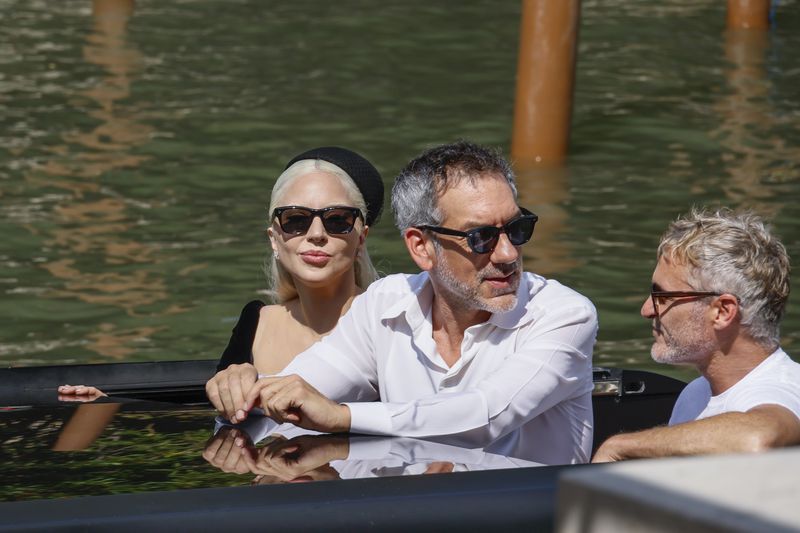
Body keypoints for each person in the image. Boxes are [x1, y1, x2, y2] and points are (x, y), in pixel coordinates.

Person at [206, 140, 598, 465]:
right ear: (421, 247)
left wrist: (341, 416)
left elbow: (487, 415)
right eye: (481, 237)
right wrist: (244, 394)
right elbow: (301, 392)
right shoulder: (382, 305)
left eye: (517, 228)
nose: (508, 254)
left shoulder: (564, 315)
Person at [59, 146, 384, 397]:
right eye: (296, 219)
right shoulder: (256, 321)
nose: (316, 234)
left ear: (361, 239)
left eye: (337, 219)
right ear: (274, 238)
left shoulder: (392, 320)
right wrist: (112, 401)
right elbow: (212, 402)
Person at [593, 208, 800, 462]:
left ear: (723, 311)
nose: (646, 310)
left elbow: (760, 438)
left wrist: (620, 446)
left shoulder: (784, 388)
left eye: (663, 296)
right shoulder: (695, 394)